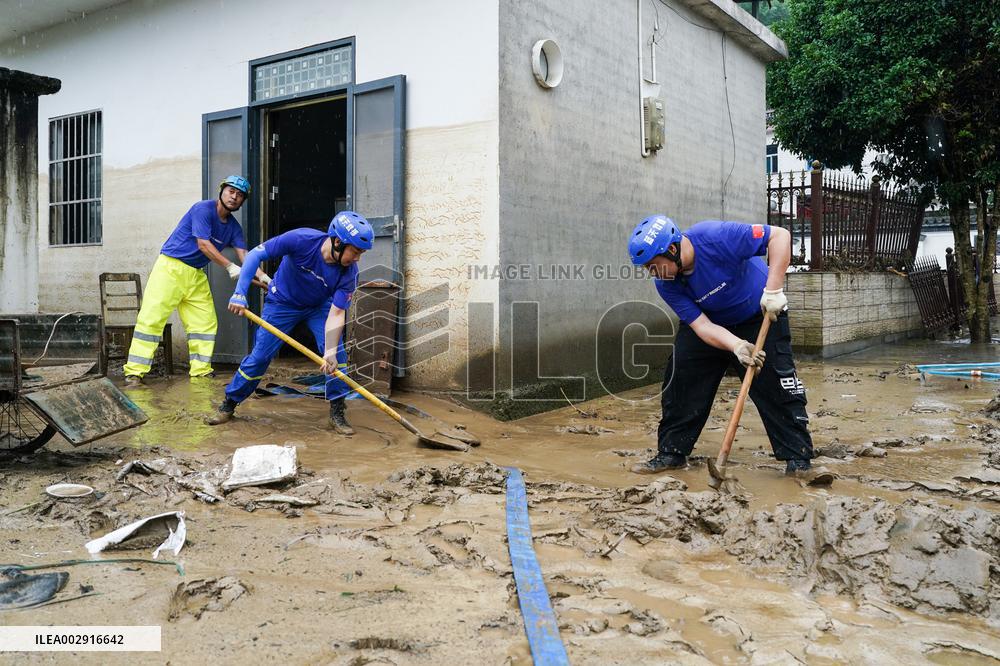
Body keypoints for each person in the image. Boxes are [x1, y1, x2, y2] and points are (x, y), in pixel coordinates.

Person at [627, 215, 830, 484]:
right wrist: (736, 345)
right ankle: (672, 453)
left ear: (672, 250)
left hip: (761, 312)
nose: (652, 273)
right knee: (682, 377)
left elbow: (779, 236)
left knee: (777, 382)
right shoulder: (667, 284)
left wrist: (773, 291)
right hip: (711, 323)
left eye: (653, 265)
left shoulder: (716, 237)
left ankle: (799, 459)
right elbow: (701, 327)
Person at [205, 211, 373, 434]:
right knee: (260, 357)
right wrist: (240, 293)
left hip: (319, 307)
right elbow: (255, 255)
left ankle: (337, 411)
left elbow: (337, 312)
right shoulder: (300, 240)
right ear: (338, 242)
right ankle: (229, 404)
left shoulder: (349, 273)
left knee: (337, 358)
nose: (357, 258)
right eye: (355, 251)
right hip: (282, 303)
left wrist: (330, 351)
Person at [124, 176, 270, 385]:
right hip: (170, 268)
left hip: (196, 273)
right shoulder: (202, 209)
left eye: (239, 195)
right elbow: (203, 244)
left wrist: (265, 278)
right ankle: (134, 372)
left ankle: (201, 370)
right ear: (222, 192)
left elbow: (246, 256)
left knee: (205, 322)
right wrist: (229, 267)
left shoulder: (234, 228)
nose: (234, 197)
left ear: (242, 201)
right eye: (231, 191)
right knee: (152, 318)